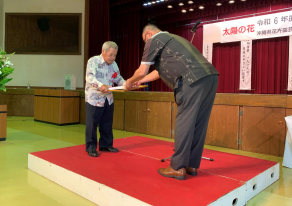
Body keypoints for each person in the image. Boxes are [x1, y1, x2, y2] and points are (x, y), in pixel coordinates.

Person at [125, 24, 219, 180]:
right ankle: (191, 165)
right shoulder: (174, 38)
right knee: (199, 124)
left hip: (191, 81)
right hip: (210, 77)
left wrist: (129, 81)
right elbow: (156, 72)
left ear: (148, 34)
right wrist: (139, 81)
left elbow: (142, 70)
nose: (145, 44)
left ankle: (177, 167)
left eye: (144, 40)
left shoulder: (154, 40)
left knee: (184, 123)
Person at [85, 41, 126, 157]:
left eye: (115, 55)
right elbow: (89, 78)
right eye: (111, 54)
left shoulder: (114, 64)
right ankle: (91, 147)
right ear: (103, 51)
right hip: (94, 99)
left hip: (108, 98)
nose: (113, 58)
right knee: (92, 124)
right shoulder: (93, 61)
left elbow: (118, 78)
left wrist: (127, 84)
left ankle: (106, 145)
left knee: (107, 123)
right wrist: (101, 86)